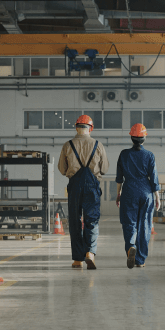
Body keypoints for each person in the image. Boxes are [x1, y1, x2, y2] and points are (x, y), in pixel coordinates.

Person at [58, 115, 109, 269]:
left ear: (76, 127)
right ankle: (90, 253)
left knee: (74, 221)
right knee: (91, 220)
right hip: (92, 187)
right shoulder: (98, 145)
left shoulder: (68, 145)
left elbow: (62, 169)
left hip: (74, 186)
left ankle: (77, 259)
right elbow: (105, 169)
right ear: (91, 128)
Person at [116, 124, 161, 269]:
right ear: (144, 138)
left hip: (129, 190)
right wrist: (157, 197)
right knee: (145, 225)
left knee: (129, 222)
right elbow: (154, 178)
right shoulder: (149, 155)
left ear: (131, 137)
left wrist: (118, 194)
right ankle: (140, 260)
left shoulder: (124, 154)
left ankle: (130, 247)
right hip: (146, 192)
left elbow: (119, 178)